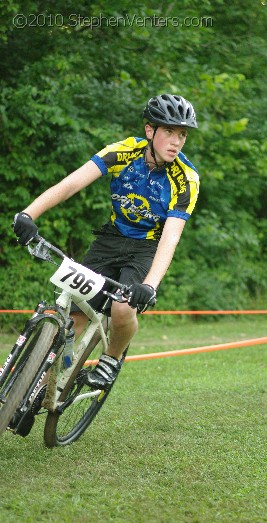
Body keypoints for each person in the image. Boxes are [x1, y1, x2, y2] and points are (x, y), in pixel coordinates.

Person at [13, 93, 200, 390]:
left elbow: (171, 236)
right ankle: (40, 384)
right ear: (149, 131)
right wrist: (28, 213)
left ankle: (111, 358)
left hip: (146, 247)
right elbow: (71, 184)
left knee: (123, 307)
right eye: (168, 131)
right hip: (111, 239)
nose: (176, 141)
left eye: (182, 134)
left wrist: (149, 285)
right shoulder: (123, 152)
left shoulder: (186, 178)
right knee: (74, 310)